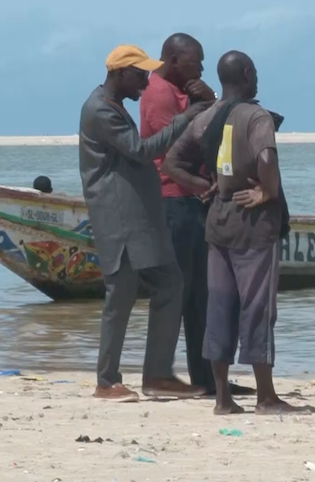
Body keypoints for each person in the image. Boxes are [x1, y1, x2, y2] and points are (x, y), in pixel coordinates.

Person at [164, 51, 302, 415]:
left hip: (218, 219)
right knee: (257, 308)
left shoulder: (207, 117)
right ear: (246, 74)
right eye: (254, 71)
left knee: (220, 307)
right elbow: (266, 159)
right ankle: (266, 396)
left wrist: (202, 185)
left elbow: (172, 162)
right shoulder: (256, 116)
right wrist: (267, 192)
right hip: (253, 224)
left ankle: (223, 398)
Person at [78, 44, 213, 402]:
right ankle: (107, 381)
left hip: (138, 219)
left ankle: (157, 375)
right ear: (120, 73)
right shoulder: (99, 110)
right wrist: (186, 118)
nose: (145, 82)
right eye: (140, 75)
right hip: (118, 220)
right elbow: (141, 150)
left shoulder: (114, 105)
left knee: (170, 284)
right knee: (120, 295)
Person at [140, 34, 254, 397]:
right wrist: (205, 185)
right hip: (174, 202)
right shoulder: (159, 94)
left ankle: (206, 375)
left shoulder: (181, 92)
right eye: (196, 62)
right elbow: (175, 151)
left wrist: (209, 98)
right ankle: (163, 374)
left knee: (201, 295)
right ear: (174, 61)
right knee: (181, 291)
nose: (201, 69)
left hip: (190, 201)